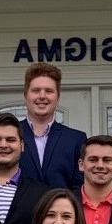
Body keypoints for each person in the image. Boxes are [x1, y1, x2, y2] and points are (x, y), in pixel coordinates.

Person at [18, 62, 87, 190]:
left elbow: (80, 189)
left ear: (58, 98)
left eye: (49, 91)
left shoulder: (76, 139)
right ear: (25, 96)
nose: (42, 96)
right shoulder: (9, 137)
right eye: (36, 90)